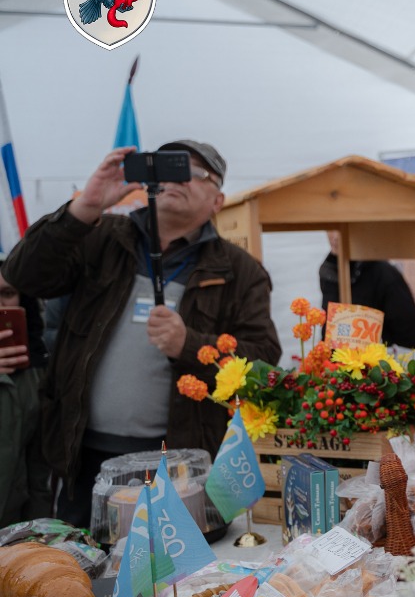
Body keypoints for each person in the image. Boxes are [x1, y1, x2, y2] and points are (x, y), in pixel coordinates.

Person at [1, 141, 282, 527]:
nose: (176, 178)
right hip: (80, 457)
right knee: (82, 572)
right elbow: (23, 275)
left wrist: (189, 345)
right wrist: (85, 206)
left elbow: (263, 363)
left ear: (217, 201)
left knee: (171, 580)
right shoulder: (101, 237)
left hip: (180, 466)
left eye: (193, 172)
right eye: (168, 168)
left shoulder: (239, 271)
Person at [0, 257, 53, 526]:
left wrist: (38, 533)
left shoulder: (36, 373)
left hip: (11, 528)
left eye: (7, 293)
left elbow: (38, 468)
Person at [319, 230, 415, 352]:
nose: (335, 236)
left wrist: (386, 367)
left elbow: (408, 334)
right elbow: (329, 327)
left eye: (342, 229)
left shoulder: (384, 274)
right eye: (330, 228)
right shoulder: (328, 272)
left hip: (377, 366)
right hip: (338, 364)